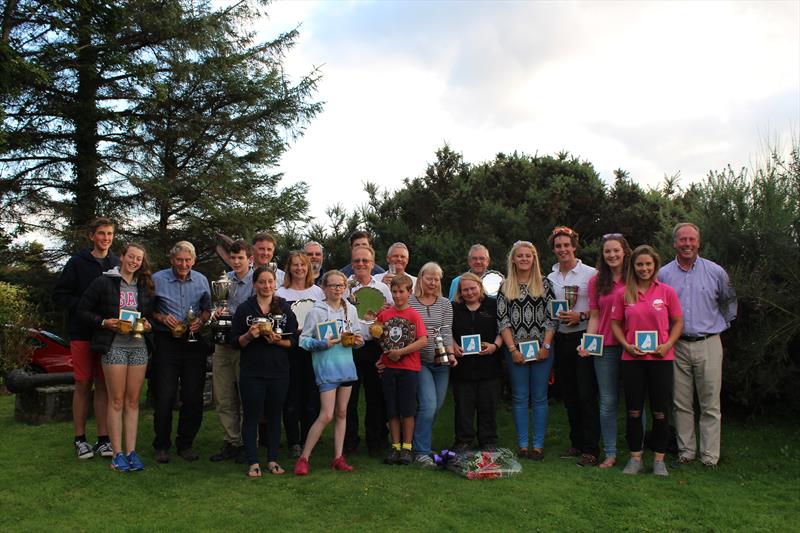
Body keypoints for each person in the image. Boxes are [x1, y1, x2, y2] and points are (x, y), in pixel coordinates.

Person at [659, 222, 737, 469]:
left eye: (691, 240)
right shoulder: (664, 274)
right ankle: (686, 452)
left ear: (698, 242)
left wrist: (719, 326)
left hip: (709, 343)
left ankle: (710, 456)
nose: (687, 244)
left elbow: (729, 303)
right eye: (682, 240)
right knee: (681, 402)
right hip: (677, 344)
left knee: (710, 403)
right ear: (675, 243)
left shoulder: (715, 272)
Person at [77, 243, 154, 472]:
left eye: (138, 259)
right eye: (131, 257)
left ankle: (131, 451)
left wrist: (148, 324)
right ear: (122, 257)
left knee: (132, 401)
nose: (134, 261)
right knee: (117, 400)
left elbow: (148, 315)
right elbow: (83, 310)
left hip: (138, 347)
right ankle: (117, 454)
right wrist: (104, 322)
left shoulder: (144, 284)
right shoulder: (104, 281)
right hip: (114, 346)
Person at [611, 245, 683, 476]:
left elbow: (678, 322)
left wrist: (668, 344)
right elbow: (615, 323)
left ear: (655, 266)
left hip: (660, 359)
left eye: (648, 264)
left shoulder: (666, 292)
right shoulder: (624, 293)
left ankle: (659, 460)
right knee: (633, 411)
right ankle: (635, 458)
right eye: (640, 264)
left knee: (660, 411)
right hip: (632, 359)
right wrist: (626, 344)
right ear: (633, 266)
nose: (644, 268)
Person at [53, 217, 118, 460]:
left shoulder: (116, 263)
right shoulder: (77, 263)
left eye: (110, 233)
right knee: (82, 384)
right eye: (101, 233)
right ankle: (80, 439)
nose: (106, 238)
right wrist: (85, 306)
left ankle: (103, 439)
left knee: (103, 386)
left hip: (107, 334)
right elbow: (59, 295)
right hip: (82, 332)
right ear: (92, 236)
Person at [294, 270, 363, 475]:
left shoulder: (350, 309)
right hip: (326, 368)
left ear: (345, 287)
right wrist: (323, 343)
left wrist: (358, 341)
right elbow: (303, 341)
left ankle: (338, 457)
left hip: (346, 368)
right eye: (332, 286)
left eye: (340, 286)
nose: (337, 289)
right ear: (324, 288)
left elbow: (357, 335)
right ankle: (304, 458)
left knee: (342, 413)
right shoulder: (316, 311)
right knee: (325, 415)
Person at [231, 266, 298, 476]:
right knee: (252, 416)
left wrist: (278, 342)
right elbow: (235, 342)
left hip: (279, 371)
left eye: (270, 282)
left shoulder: (284, 307)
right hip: (252, 371)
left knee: (274, 415)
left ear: (275, 284)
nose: (267, 286)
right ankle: (253, 461)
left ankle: (272, 459)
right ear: (255, 284)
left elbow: (293, 341)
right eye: (262, 282)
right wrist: (250, 336)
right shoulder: (245, 309)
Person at [150, 241, 212, 463]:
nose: (184, 264)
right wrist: (161, 318)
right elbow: (149, 310)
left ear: (194, 261)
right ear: (172, 260)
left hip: (193, 343)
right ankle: (162, 445)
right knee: (165, 396)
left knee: (193, 397)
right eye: (179, 260)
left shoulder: (202, 280)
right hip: (167, 342)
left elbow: (207, 309)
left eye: (188, 260)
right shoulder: (157, 279)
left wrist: (200, 321)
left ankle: (185, 444)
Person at [546, 226, 601, 466]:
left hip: (584, 336)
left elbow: (600, 308)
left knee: (586, 393)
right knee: (569, 394)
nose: (562, 249)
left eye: (566, 245)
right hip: (561, 338)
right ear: (554, 249)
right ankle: (576, 442)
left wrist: (581, 316)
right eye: (558, 246)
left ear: (574, 246)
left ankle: (591, 448)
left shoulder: (591, 273)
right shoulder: (550, 277)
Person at [497, 240, 556, 461]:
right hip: (516, 350)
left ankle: (538, 445)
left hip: (542, 349)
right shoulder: (505, 286)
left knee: (539, 397)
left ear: (534, 259)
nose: (524, 259)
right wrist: (512, 350)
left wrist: (546, 346)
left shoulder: (545, 284)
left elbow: (552, 318)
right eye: (519, 256)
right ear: (513, 259)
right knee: (520, 396)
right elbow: (502, 321)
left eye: (528, 256)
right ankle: (523, 444)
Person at [578, 233, 632, 469]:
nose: (612, 255)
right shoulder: (596, 282)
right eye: (607, 251)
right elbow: (596, 315)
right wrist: (588, 342)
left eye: (616, 251)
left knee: (634, 402)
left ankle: (636, 452)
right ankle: (610, 453)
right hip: (605, 349)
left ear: (625, 252)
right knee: (608, 402)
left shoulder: (636, 276)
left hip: (633, 347)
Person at [343, 245, 393, 455]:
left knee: (376, 396)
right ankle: (349, 441)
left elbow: (391, 314)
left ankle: (377, 440)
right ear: (351, 264)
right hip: (350, 347)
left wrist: (384, 314)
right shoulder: (344, 287)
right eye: (357, 261)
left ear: (373, 264)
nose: (361, 264)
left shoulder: (383, 288)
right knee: (349, 397)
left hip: (374, 346)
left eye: (365, 261)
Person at [276, 251, 324, 458]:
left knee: (311, 396)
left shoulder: (318, 292)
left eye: (302, 265)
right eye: (295, 265)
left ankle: (308, 438)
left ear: (308, 268)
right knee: (291, 396)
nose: (299, 268)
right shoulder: (280, 293)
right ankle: (294, 441)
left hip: (312, 349)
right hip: (290, 348)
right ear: (289, 268)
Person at [209, 240, 253, 463]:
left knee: (246, 397)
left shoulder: (257, 281)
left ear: (249, 259)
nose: (236, 262)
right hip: (222, 344)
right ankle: (231, 441)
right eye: (233, 258)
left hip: (245, 345)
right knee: (223, 396)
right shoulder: (223, 280)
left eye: (240, 258)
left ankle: (247, 443)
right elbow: (214, 307)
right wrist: (216, 313)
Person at [377, 274, 428, 465]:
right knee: (392, 409)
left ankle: (407, 447)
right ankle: (395, 446)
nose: (398, 295)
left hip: (409, 368)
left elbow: (423, 340)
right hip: (389, 368)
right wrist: (371, 323)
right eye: (394, 291)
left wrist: (401, 352)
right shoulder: (384, 315)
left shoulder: (414, 315)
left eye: (401, 292)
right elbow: (378, 336)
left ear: (410, 292)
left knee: (407, 409)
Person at [408, 262, 454, 467]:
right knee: (428, 405)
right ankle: (421, 451)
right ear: (420, 279)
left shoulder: (445, 304)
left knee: (437, 406)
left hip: (441, 362)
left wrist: (451, 354)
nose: (433, 282)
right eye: (429, 278)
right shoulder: (409, 302)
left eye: (436, 279)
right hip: (419, 361)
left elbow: (446, 332)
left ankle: (419, 443)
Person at [451, 273, 503, 451]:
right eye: (465, 289)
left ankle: (488, 441)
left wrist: (495, 346)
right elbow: (446, 331)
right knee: (463, 407)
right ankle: (463, 440)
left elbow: (503, 329)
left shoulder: (493, 305)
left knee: (488, 405)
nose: (469, 292)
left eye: (472, 288)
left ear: (480, 287)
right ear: (460, 291)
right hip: (463, 367)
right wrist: (454, 345)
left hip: (489, 365)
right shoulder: (454, 308)